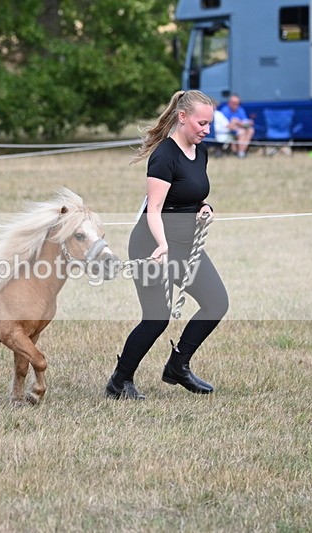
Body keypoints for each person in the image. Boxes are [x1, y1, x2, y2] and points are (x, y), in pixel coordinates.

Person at [105, 90, 229, 400]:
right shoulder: (163, 156)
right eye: (202, 123)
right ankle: (119, 382)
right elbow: (154, 210)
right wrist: (161, 246)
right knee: (156, 317)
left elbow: (191, 193)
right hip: (152, 244)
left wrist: (205, 207)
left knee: (216, 303)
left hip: (185, 243)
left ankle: (178, 365)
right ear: (183, 117)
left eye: (209, 124)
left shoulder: (200, 152)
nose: (207, 129)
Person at [219, 94, 255, 158]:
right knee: (241, 132)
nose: (236, 105)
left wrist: (247, 122)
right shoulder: (225, 110)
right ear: (229, 103)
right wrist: (236, 124)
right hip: (229, 130)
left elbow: (245, 121)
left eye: (238, 103)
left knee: (251, 130)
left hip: (240, 128)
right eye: (234, 103)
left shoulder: (240, 110)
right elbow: (225, 124)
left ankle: (241, 151)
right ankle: (241, 152)